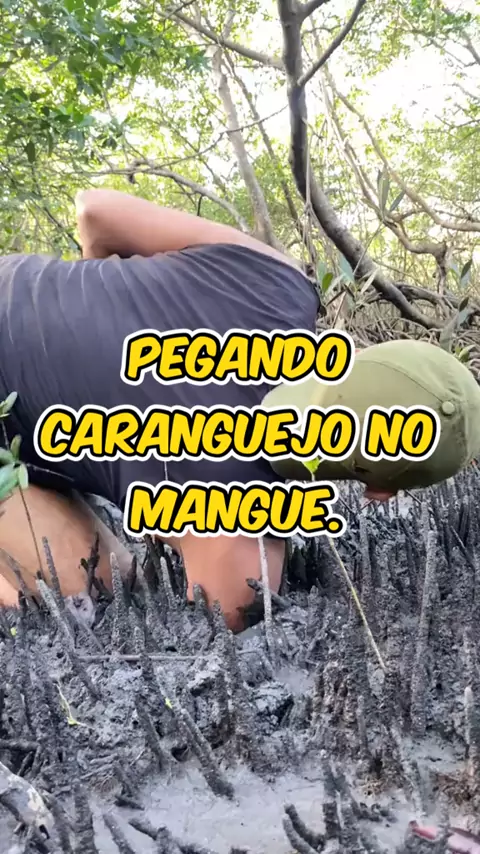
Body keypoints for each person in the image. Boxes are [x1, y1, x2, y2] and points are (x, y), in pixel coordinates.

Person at [0, 189, 479, 631]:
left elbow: (94, 211)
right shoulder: (240, 540)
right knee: (95, 591)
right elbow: (220, 612)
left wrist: (91, 318)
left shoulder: (277, 278)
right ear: (381, 492)